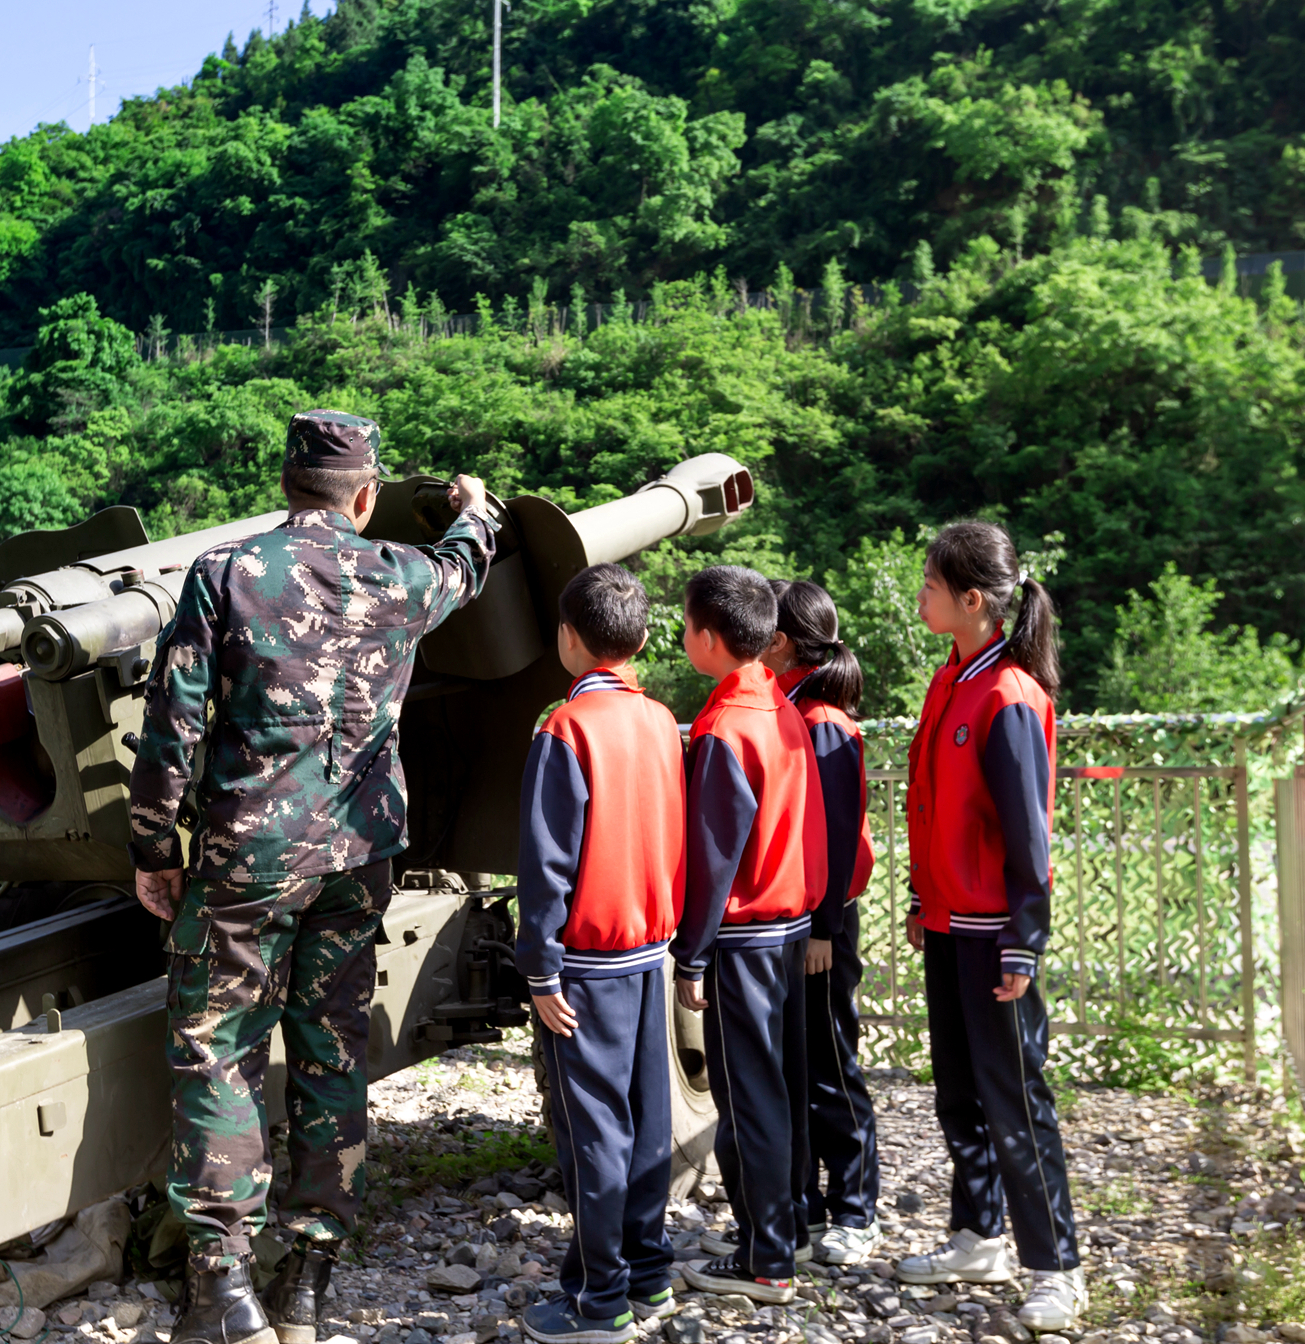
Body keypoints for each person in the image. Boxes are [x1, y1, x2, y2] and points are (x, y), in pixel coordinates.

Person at [129, 410, 496, 1344]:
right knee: (331, 1047)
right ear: (365, 496)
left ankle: (223, 1290)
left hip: (245, 861)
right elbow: (466, 564)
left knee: (219, 1049)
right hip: (358, 858)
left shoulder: (229, 574)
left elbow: (170, 724)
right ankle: (310, 1279)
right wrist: (474, 507)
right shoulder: (402, 575)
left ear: (287, 484)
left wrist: (152, 851)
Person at [898, 520, 1084, 1334]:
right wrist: (921, 901)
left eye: (931, 585)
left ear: (973, 600)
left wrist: (1024, 939)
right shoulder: (953, 679)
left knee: (1015, 1102)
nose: (921, 596)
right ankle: (978, 1236)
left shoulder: (1007, 693)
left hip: (991, 934)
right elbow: (938, 808)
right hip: (948, 925)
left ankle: (1057, 1268)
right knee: (959, 1096)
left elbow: (1026, 833)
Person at [513, 562, 687, 1344]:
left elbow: (546, 862)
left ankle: (600, 1303)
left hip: (586, 963)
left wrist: (540, 963)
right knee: (648, 1122)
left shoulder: (564, 728)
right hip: (650, 948)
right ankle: (650, 1277)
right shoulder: (660, 720)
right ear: (644, 639)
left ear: (566, 640)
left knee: (594, 1134)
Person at [670, 564, 827, 1306]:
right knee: (782, 1087)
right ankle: (784, 1228)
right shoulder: (778, 704)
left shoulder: (725, 726)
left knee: (750, 1098)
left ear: (707, 638)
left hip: (745, 934)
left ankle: (766, 1260)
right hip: (790, 922)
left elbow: (712, 857)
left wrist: (690, 955)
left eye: (686, 624)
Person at [763, 579, 883, 1267]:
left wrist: (823, 930)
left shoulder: (823, 720)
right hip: (802, 917)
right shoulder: (794, 706)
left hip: (822, 920)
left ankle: (857, 1210)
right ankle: (805, 1208)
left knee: (832, 1061)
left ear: (779, 642)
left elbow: (838, 837)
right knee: (798, 1064)